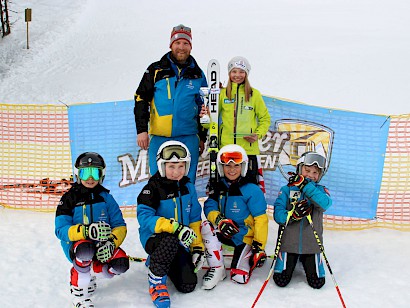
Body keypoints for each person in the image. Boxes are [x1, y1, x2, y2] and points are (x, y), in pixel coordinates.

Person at [134, 24, 208, 183]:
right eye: (178, 43)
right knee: (157, 183)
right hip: (160, 137)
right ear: (171, 45)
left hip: (189, 136)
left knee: (187, 184)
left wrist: (202, 136)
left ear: (191, 46)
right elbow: (141, 98)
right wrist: (142, 130)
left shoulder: (198, 74)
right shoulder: (156, 70)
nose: (181, 47)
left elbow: (204, 106)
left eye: (186, 43)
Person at [55, 152, 129, 307]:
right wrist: (86, 231)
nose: (90, 178)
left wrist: (111, 243)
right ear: (77, 174)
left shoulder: (106, 198)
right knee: (85, 250)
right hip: (77, 246)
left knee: (121, 263)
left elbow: (120, 225)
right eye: (85, 172)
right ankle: (79, 294)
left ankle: (96, 269)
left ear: (101, 175)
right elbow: (61, 230)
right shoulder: (69, 198)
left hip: (102, 245)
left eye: (95, 173)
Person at [137, 141, 205, 308]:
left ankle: (161, 260)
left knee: (188, 285)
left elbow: (195, 217)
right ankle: (156, 281)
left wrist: (197, 247)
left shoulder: (188, 186)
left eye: (181, 166)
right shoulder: (152, 188)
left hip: (180, 241)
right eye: (171, 167)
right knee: (169, 241)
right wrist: (174, 227)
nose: (176, 172)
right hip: (155, 238)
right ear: (162, 166)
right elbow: (144, 218)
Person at [201, 144, 268, 289]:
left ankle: (248, 254)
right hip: (224, 231)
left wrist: (259, 246)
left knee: (239, 277)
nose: (232, 170)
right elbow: (209, 206)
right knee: (205, 227)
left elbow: (261, 219)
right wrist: (219, 221)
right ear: (221, 167)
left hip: (244, 237)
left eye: (236, 166)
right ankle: (217, 268)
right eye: (227, 166)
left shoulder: (252, 189)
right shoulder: (218, 186)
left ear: (243, 167)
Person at [202, 56, 271, 188]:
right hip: (225, 149)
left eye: (241, 72)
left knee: (249, 188)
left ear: (246, 74)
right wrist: (206, 117)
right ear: (229, 73)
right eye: (234, 71)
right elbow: (211, 123)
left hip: (248, 150)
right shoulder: (222, 94)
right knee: (224, 188)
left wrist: (257, 135)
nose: (237, 75)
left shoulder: (254, 94)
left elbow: (265, 119)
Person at [272, 151, 332, 289]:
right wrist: (292, 215)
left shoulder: (321, 191)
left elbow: (325, 204)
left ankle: (307, 259)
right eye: (307, 170)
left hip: (311, 245)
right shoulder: (287, 189)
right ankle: (292, 259)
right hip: (289, 244)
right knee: (281, 280)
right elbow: (278, 215)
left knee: (317, 282)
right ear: (299, 169)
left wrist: (305, 185)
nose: (311, 175)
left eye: (315, 172)